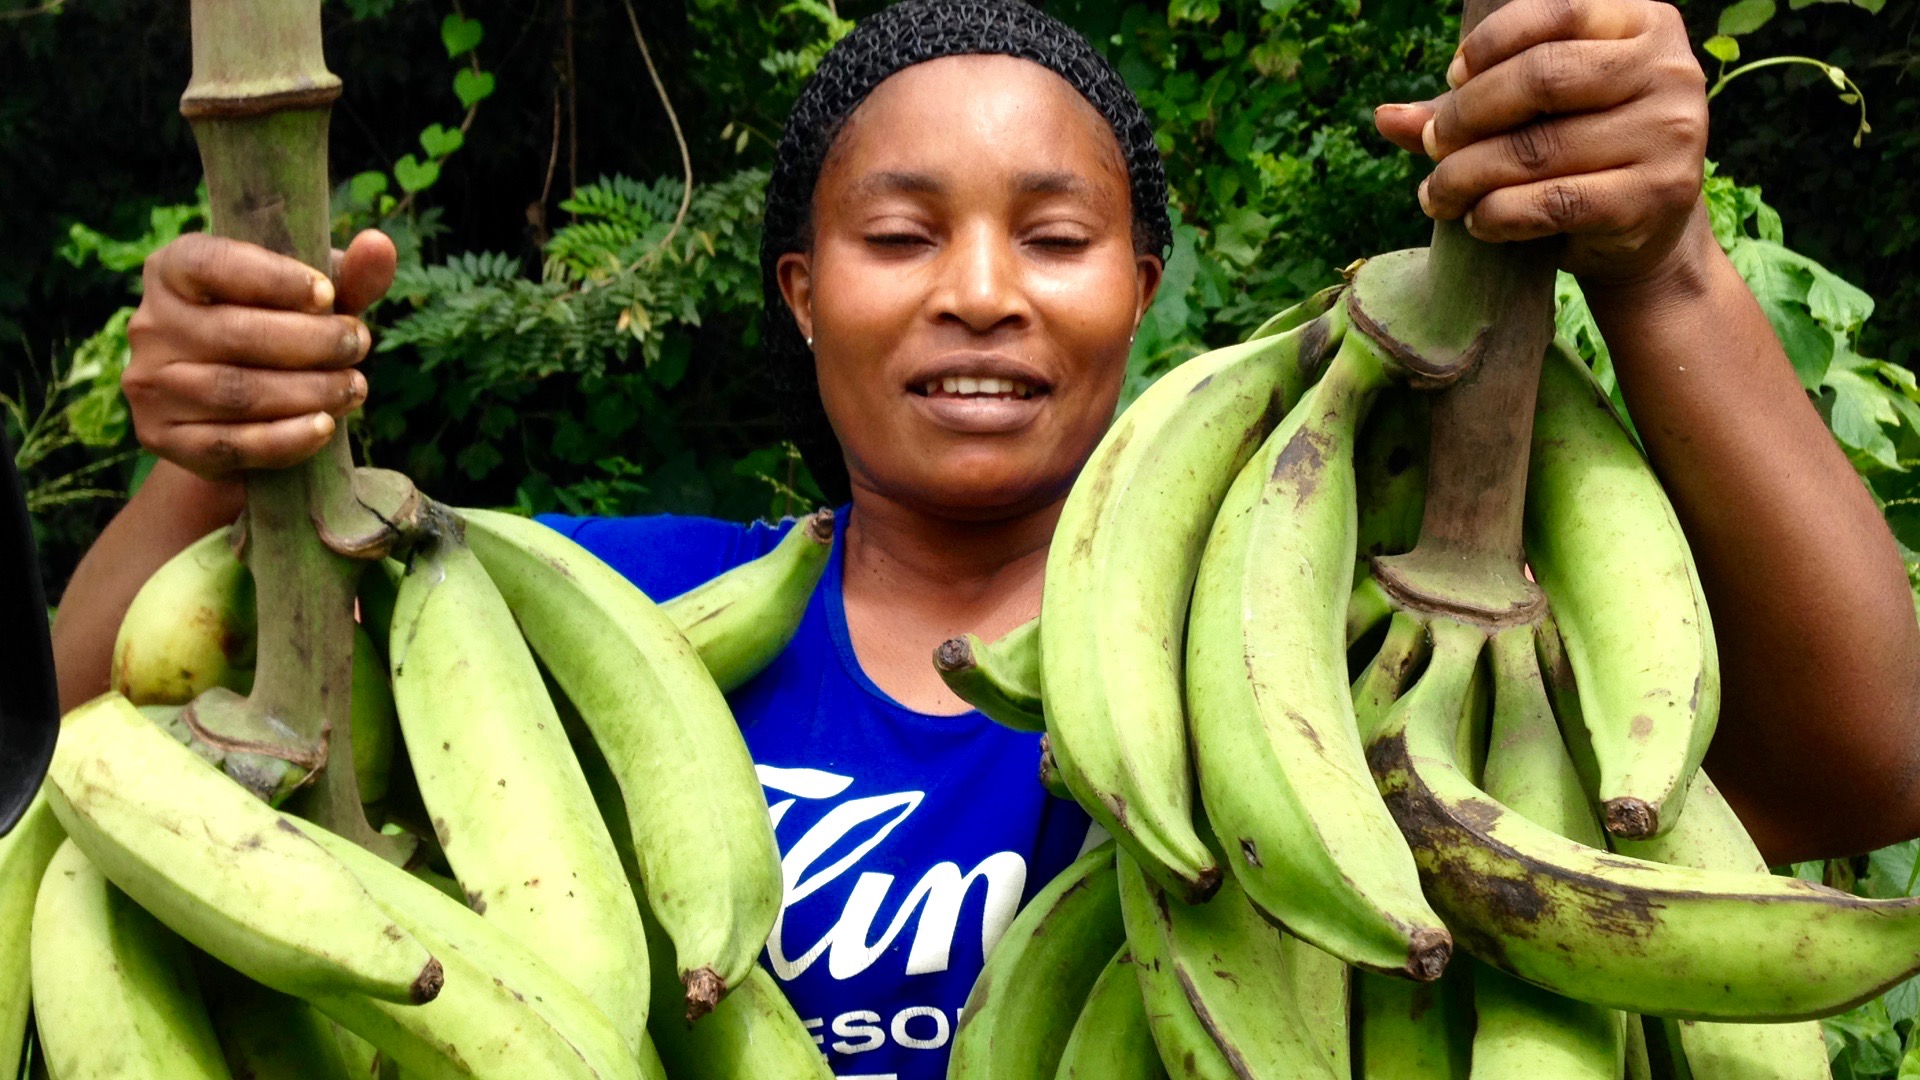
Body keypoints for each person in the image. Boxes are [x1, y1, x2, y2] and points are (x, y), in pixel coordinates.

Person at [50, 0, 1920, 1075]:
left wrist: (1663, 270)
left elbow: (1864, 763)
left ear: (1143, 288)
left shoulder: (1326, 662)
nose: (978, 292)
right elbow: (101, 763)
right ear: (800, 294)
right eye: (895, 236)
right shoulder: (597, 619)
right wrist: (225, 453)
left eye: (1055, 235)